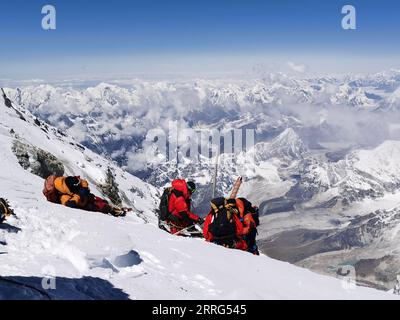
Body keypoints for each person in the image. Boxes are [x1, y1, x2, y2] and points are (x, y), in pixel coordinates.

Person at [45, 175, 125, 217]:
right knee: (101, 206)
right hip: (88, 203)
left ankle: (113, 209)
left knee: (101, 201)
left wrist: (83, 188)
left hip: (88, 198)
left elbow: (82, 181)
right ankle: (113, 210)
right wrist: (80, 194)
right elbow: (70, 203)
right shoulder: (63, 196)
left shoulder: (68, 182)